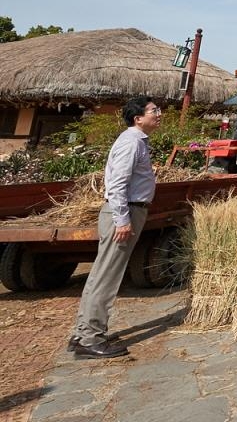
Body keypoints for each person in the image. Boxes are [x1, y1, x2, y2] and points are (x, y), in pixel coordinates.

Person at [69, 96, 161, 359]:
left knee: (101, 275)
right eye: (154, 110)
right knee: (107, 278)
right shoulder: (131, 143)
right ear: (138, 118)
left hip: (128, 210)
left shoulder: (137, 141)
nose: (159, 114)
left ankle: (83, 333)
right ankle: (91, 338)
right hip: (125, 211)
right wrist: (122, 220)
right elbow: (117, 184)